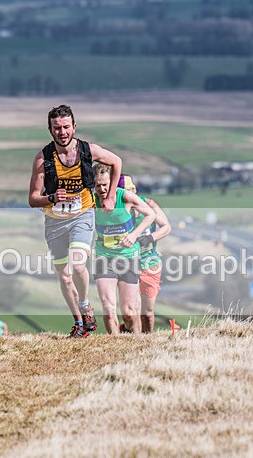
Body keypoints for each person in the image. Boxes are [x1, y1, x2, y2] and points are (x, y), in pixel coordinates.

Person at [28, 104, 123, 338]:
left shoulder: (88, 151)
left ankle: (85, 304)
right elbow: (32, 198)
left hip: (83, 214)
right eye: (57, 128)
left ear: (74, 127)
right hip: (55, 221)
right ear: (50, 130)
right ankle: (80, 323)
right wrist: (50, 198)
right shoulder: (43, 158)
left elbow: (116, 162)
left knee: (78, 265)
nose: (62, 132)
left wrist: (110, 196)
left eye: (66, 127)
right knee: (64, 275)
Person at [92, 164, 154, 334]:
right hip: (104, 257)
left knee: (128, 313)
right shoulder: (91, 200)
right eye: (98, 185)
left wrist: (134, 235)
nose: (102, 189)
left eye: (105, 184)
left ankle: (134, 342)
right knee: (108, 309)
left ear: (112, 183)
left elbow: (150, 214)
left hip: (128, 257)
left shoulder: (124, 197)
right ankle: (114, 347)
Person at [119, 174, 172, 333]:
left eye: (130, 191)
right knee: (131, 312)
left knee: (147, 314)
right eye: (123, 193)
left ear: (134, 190)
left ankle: (147, 340)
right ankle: (132, 337)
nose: (128, 196)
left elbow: (166, 227)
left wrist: (149, 238)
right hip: (126, 265)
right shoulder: (115, 209)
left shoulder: (149, 204)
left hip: (150, 263)